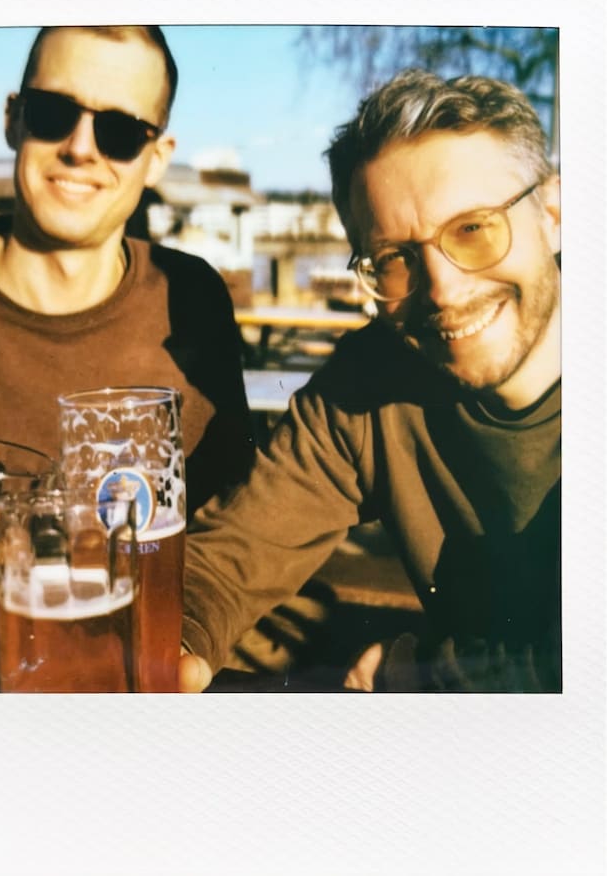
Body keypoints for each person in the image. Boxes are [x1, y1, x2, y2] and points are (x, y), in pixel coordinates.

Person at [179, 69, 561, 693]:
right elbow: (227, 561)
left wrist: (432, 675)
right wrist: (173, 647)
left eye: (473, 228)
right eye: (393, 260)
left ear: (555, 213)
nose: (442, 288)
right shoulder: (365, 386)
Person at [0, 26, 254, 691]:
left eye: (122, 131)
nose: (80, 147)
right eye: (52, 113)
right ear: (13, 118)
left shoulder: (195, 301)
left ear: (157, 157)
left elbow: (232, 525)